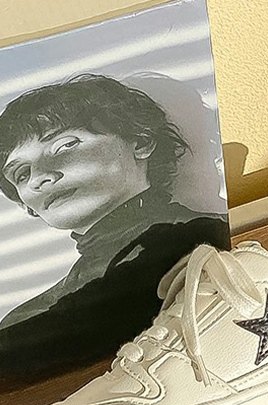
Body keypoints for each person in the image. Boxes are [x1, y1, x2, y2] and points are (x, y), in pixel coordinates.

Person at [0, 74, 229, 374]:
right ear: (27, 205)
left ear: (141, 141)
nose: (40, 177)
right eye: (21, 174)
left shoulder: (210, 240)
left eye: (65, 146)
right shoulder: (24, 323)